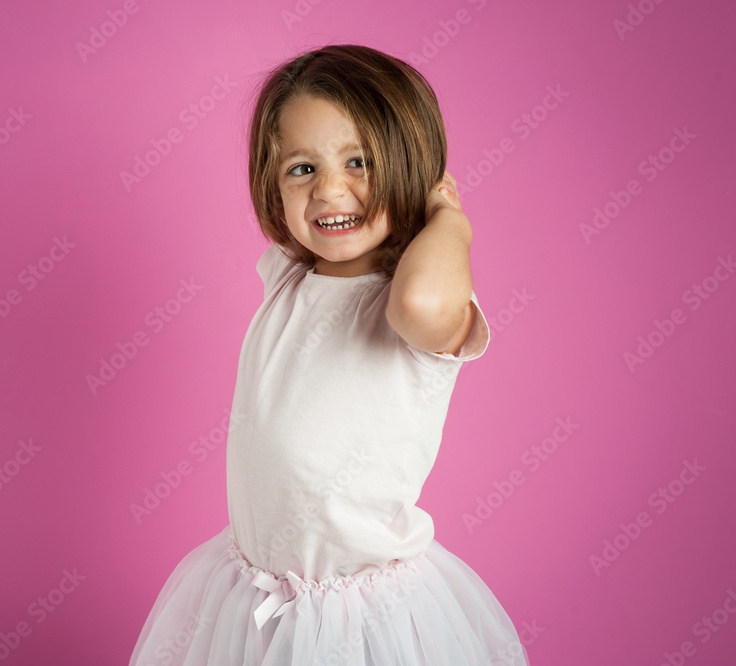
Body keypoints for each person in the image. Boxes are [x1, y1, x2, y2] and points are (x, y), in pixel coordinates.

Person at [129, 43, 529, 666]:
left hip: (361, 617)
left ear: (415, 171)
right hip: (256, 592)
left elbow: (421, 304)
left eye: (358, 161)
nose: (330, 190)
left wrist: (450, 219)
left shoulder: (412, 303)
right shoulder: (290, 275)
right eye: (302, 169)